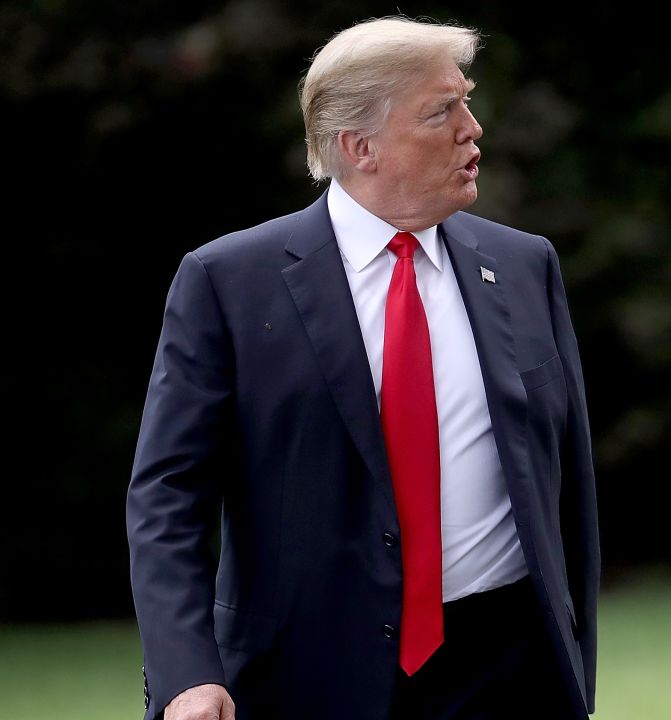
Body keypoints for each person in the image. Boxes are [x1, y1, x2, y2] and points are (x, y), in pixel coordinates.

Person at [125, 17, 599, 720]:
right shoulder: (229, 281)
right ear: (359, 146)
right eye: (442, 111)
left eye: (467, 101)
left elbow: (568, 482)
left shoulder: (525, 265)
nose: (473, 129)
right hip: (307, 677)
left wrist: (574, 662)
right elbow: (168, 495)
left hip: (510, 669)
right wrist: (186, 674)